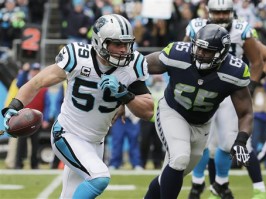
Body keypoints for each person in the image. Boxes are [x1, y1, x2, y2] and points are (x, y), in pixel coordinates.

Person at [1, 14, 153, 199]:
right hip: (67, 133)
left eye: (126, 44)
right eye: (117, 44)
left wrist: (125, 95)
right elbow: (37, 82)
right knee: (99, 177)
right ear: (100, 42)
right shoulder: (78, 57)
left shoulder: (133, 64)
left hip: (96, 141)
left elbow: (148, 111)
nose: (123, 50)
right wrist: (13, 107)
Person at [144, 24, 253, 199]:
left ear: (222, 53)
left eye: (207, 51)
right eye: (199, 47)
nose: (200, 53)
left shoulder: (234, 71)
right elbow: (140, 65)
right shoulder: (178, 54)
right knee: (179, 159)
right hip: (173, 111)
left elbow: (246, 112)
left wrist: (241, 140)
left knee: (171, 173)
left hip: (202, 124)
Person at [184, 0, 266, 198]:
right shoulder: (196, 27)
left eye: (225, 12)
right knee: (203, 142)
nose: (220, 16)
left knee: (229, 144)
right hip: (206, 90)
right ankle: (203, 184)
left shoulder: (242, 30)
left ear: (232, 12)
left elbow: (258, 61)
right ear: (209, 12)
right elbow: (184, 56)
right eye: (217, 12)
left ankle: (220, 185)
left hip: (229, 92)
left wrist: (249, 85)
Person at [14, 62, 51, 169]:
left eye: (37, 70)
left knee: (35, 143)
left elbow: (47, 104)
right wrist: (25, 71)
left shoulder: (44, 87)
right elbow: (18, 84)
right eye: (33, 70)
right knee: (21, 143)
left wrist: (46, 118)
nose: (35, 72)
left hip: (36, 118)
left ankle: (34, 164)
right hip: (23, 119)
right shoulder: (25, 84)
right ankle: (18, 164)